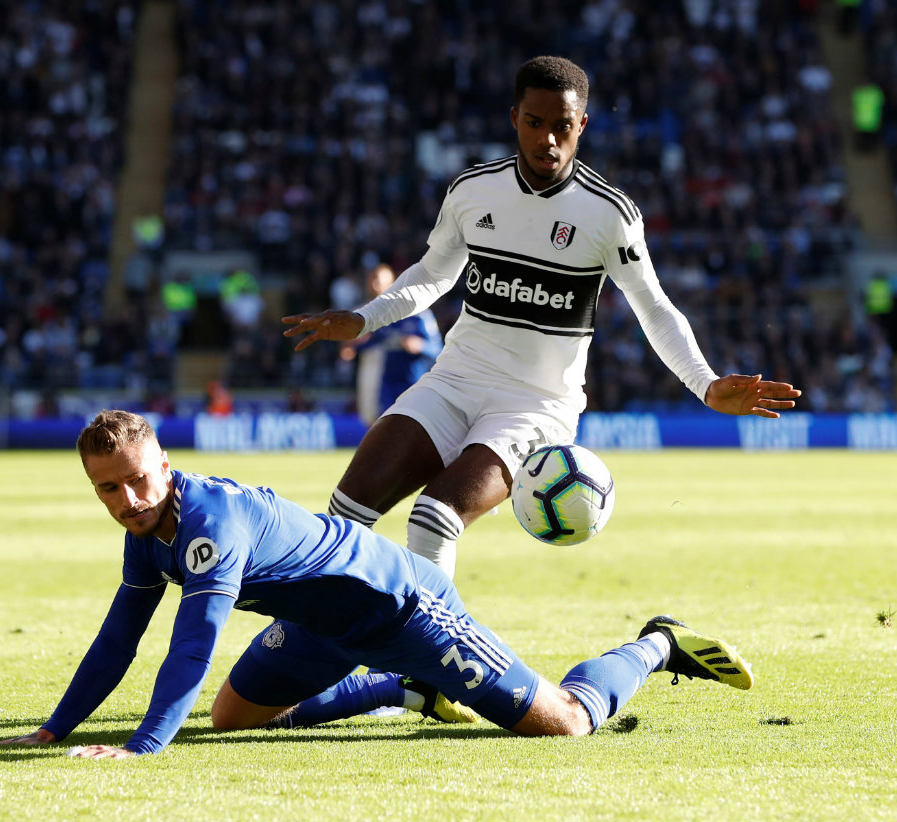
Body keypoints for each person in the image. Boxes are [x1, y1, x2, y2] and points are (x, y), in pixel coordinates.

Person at [282, 56, 801, 578]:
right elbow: (434, 274)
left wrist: (705, 384)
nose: (548, 139)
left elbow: (655, 307)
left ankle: (424, 659)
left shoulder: (608, 214)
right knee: (346, 512)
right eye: (535, 123)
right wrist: (364, 319)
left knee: (433, 519)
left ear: (583, 126)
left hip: (535, 405)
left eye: (562, 126)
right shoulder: (472, 191)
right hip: (452, 382)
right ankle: (315, 650)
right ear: (514, 119)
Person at [0, 410, 753, 758]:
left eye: (138, 482)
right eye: (109, 491)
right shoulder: (146, 533)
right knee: (231, 721)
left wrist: (143, 746)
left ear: (163, 464)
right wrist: (55, 729)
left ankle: (655, 644)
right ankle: (398, 691)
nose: (129, 501)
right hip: (326, 626)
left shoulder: (208, 521)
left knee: (565, 724)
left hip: (406, 609)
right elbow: (119, 637)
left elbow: (193, 645)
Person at [342, 263, 444, 427]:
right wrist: (353, 348)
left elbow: (438, 349)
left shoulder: (421, 316)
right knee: (383, 428)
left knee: (410, 429)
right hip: (387, 384)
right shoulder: (386, 316)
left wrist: (420, 346)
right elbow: (376, 341)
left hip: (412, 383)